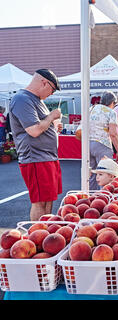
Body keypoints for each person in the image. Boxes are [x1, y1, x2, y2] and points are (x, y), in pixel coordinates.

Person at [9, 69, 63, 221]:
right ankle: (37, 236)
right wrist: (52, 116)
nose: (52, 94)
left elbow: (40, 126)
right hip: (36, 158)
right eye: (52, 89)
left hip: (45, 157)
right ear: (44, 82)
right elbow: (34, 130)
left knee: (48, 199)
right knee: (40, 201)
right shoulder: (22, 99)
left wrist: (53, 126)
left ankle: (43, 233)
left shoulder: (35, 100)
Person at [89, 90, 118, 190]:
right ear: (112, 102)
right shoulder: (111, 112)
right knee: (106, 174)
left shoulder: (91, 109)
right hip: (103, 144)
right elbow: (113, 134)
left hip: (88, 144)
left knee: (91, 175)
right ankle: (104, 198)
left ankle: (90, 198)